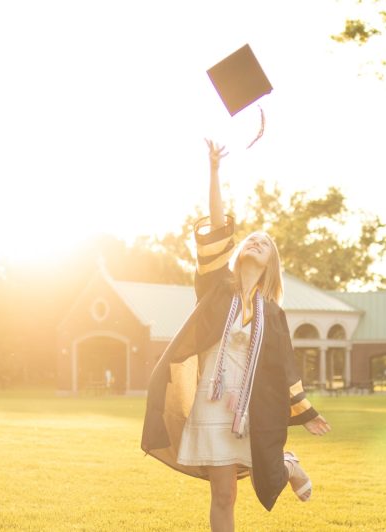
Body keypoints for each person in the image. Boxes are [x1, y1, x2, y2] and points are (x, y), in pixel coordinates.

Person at [141, 139, 331, 531]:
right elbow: (215, 225)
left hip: (251, 404)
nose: (257, 241)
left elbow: (283, 367)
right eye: (252, 239)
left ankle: (287, 465)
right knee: (223, 493)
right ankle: (286, 464)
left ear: (270, 264)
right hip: (212, 399)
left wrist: (305, 410)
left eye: (266, 243)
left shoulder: (273, 314)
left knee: (260, 457)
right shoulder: (215, 287)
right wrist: (214, 173)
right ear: (240, 250)